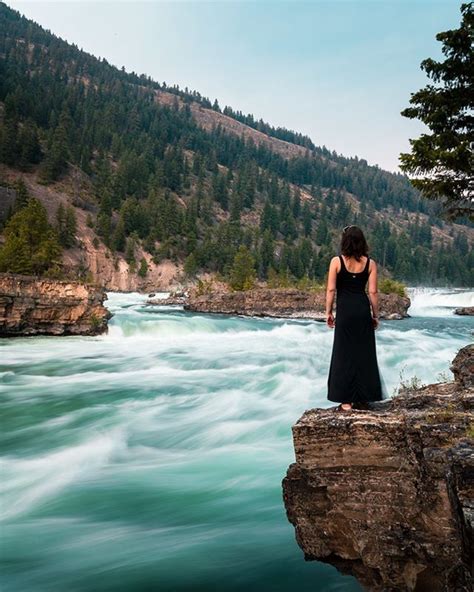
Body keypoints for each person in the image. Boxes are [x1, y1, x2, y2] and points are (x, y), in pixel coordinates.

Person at [325, 225, 384, 411]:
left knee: (343, 354)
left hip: (345, 311)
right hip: (361, 309)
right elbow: (373, 292)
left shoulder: (336, 262)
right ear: (362, 242)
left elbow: (331, 289)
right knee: (364, 353)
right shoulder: (370, 264)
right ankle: (363, 397)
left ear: (345, 241)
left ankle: (346, 401)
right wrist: (375, 315)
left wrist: (328, 312)